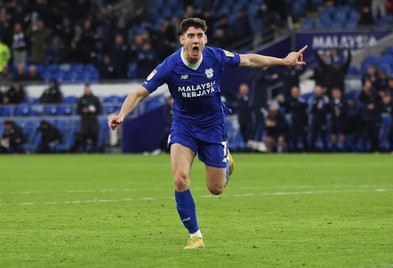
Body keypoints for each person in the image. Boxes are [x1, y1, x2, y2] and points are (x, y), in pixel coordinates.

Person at [108, 18, 307, 249]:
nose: (195, 40)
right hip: (184, 127)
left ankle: (225, 161)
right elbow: (139, 93)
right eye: (190, 36)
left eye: (199, 35)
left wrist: (283, 61)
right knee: (180, 178)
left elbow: (250, 60)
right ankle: (195, 235)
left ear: (205, 39)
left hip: (213, 128)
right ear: (182, 39)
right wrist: (121, 115)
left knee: (216, 189)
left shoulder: (215, 56)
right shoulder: (170, 66)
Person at [77, 84, 101, 152]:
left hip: (93, 119)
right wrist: (83, 110)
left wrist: (95, 110)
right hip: (85, 120)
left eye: (88, 90)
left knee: (94, 134)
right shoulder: (81, 99)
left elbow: (99, 109)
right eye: (86, 90)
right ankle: (84, 150)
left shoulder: (95, 99)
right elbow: (78, 109)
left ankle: (95, 149)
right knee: (84, 134)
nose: (87, 91)